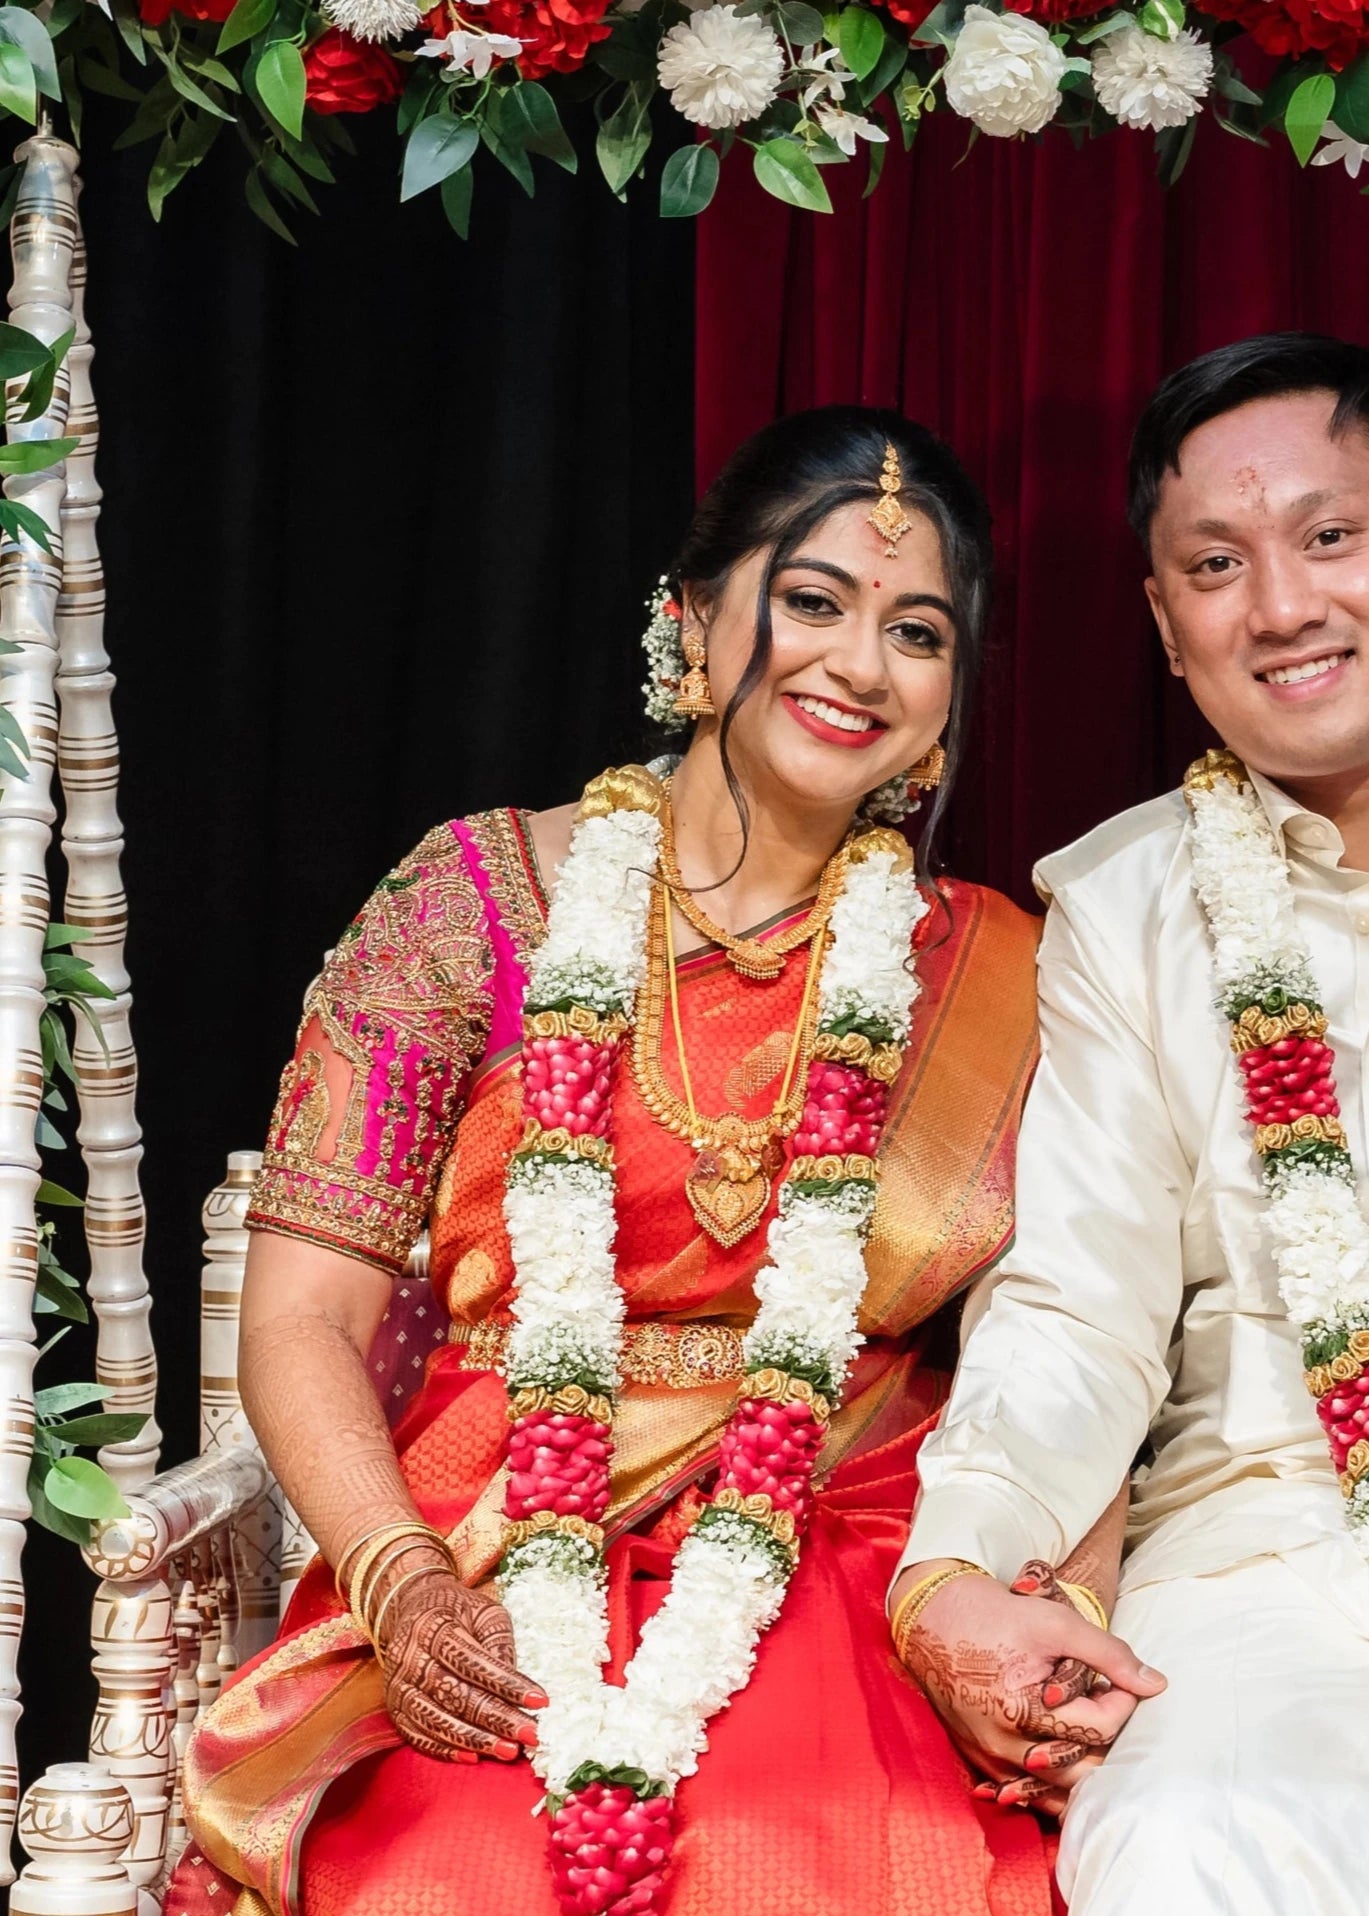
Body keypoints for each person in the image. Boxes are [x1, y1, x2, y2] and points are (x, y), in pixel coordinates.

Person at [168, 407, 1142, 1916]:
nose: (858, 666)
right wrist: (399, 1584)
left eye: (918, 631)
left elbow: (1081, 1334)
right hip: (489, 1535)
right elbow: (303, 1315)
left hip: (856, 1531)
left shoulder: (1000, 969)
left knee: (857, 1857)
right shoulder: (474, 898)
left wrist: (1051, 1603)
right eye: (811, 601)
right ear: (688, 622)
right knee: (456, 1865)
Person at [895, 331, 1369, 1915]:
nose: (1283, 607)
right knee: (1186, 1846)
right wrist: (954, 1568)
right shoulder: (1124, 903)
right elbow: (1077, 1306)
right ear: (1168, 630)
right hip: (1276, 1552)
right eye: (1215, 566)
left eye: (1329, 536)